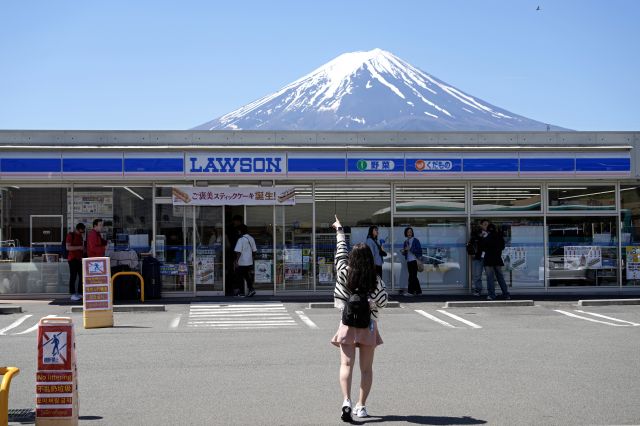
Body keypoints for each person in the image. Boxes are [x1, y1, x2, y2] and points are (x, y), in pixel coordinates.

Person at [331, 215, 388, 422]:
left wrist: (339, 231)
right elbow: (383, 300)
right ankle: (361, 406)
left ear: (352, 258)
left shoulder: (344, 271)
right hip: (368, 325)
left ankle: (346, 400)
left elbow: (340, 253)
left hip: (347, 323)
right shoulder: (375, 277)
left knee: (346, 365)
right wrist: (371, 302)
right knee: (366, 369)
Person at [480, 222, 511, 300]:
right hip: (497, 259)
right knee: (500, 277)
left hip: (488, 260)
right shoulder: (499, 237)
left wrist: (484, 237)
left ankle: (491, 295)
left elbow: (482, 247)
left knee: (490, 278)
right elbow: (502, 247)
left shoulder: (486, 237)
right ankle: (506, 294)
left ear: (488, 230)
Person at [234, 224, 257, 297]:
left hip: (242, 262)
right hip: (249, 262)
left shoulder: (241, 239)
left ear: (240, 231)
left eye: (238, 231)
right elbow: (254, 251)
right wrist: (252, 259)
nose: (238, 232)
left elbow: (238, 252)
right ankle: (251, 289)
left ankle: (241, 292)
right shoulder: (251, 238)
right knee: (247, 276)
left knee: (239, 276)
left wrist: (236, 261)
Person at [66, 223, 86, 301]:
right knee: (73, 276)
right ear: (77, 229)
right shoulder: (70, 235)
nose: (82, 233)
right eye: (80, 232)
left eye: (83, 232)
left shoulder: (80, 236)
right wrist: (79, 247)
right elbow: (68, 247)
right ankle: (72, 294)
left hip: (79, 258)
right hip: (72, 259)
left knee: (81, 276)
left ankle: (79, 293)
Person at [468, 220, 488, 296]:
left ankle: (491, 290)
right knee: (477, 275)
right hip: (478, 256)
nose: (486, 226)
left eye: (487, 225)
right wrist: (472, 254)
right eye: (485, 224)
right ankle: (478, 290)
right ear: (481, 225)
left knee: (490, 275)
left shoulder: (491, 234)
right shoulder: (476, 233)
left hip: (488, 257)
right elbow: (470, 244)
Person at [225, 215, 243, 296]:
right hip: (231, 251)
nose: (235, 222)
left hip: (239, 252)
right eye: (234, 221)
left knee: (238, 270)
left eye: (236, 221)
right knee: (231, 270)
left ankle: (238, 288)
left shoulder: (243, 228)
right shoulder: (230, 228)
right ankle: (229, 288)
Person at [402, 227, 423, 296]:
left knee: (412, 277)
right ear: (406, 233)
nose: (409, 233)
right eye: (408, 232)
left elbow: (419, 251)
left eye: (410, 232)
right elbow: (405, 253)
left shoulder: (416, 240)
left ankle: (410, 292)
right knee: (413, 276)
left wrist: (410, 249)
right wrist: (404, 251)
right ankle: (418, 292)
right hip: (409, 261)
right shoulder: (405, 242)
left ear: (412, 233)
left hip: (414, 261)